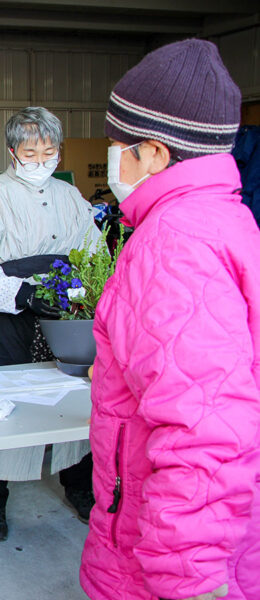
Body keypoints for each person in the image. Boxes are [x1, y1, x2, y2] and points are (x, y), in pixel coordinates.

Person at [82, 39, 259, 600]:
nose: (113, 158)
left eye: (118, 144)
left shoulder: (175, 245)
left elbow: (204, 431)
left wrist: (193, 580)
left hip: (167, 561)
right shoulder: (226, 219)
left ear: (154, 153)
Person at [0, 106, 101, 541]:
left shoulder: (70, 196)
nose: (41, 160)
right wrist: (22, 294)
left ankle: (79, 485)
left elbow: (93, 253)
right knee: (0, 404)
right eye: (30, 152)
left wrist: (74, 295)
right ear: (13, 152)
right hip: (7, 316)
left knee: (74, 398)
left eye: (49, 151)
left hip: (62, 315)